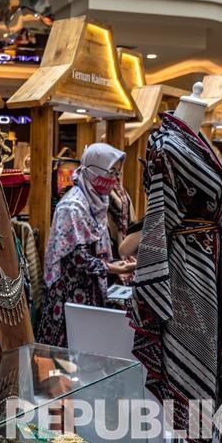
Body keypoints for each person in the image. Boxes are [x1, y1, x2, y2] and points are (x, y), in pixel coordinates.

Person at [37, 143, 135, 347]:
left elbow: (96, 249)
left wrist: (116, 263)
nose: (114, 179)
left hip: (91, 292)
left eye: (117, 172)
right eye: (110, 172)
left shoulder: (98, 201)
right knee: (64, 359)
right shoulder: (72, 206)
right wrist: (112, 267)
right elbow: (76, 258)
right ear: (93, 170)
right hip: (69, 297)